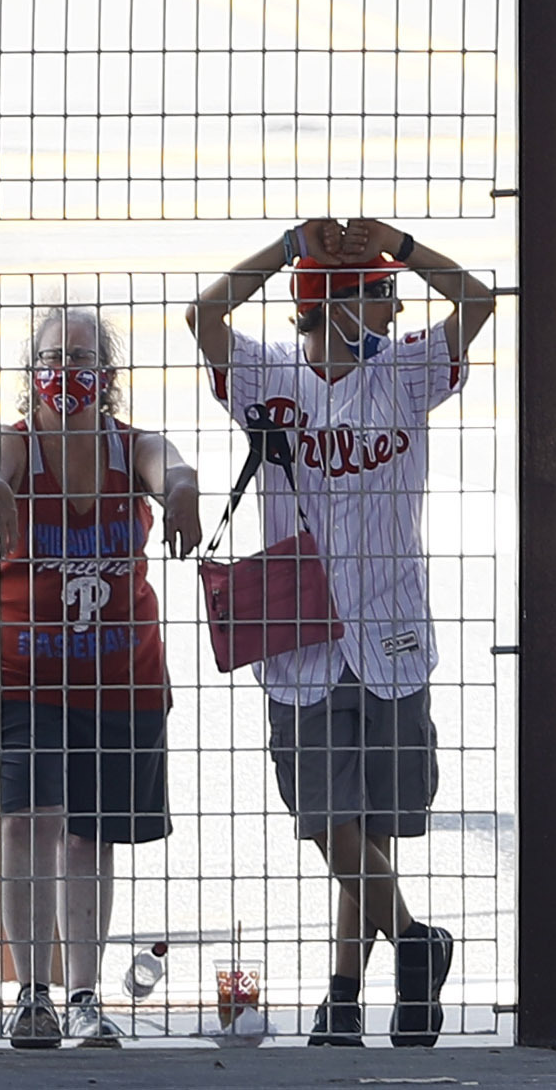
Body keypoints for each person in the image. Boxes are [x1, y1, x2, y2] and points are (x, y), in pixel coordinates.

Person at [186, 216, 495, 1048]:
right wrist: (287, 250)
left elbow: (477, 299)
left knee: (372, 822)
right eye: (379, 295)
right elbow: (205, 314)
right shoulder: (267, 375)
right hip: (301, 632)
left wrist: (402, 243)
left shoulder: (402, 375)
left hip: (392, 621)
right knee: (327, 817)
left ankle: (348, 998)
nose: (395, 311)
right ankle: (416, 943)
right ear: (332, 303)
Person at [0, 305, 203, 1049]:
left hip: (116, 675)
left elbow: (171, 465)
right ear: (30, 374)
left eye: (83, 358)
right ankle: (32, 994)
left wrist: (184, 489)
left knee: (89, 837)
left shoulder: (130, 448)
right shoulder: (15, 442)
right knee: (29, 819)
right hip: (18, 670)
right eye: (53, 358)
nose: (67, 372)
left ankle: (85, 996)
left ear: (109, 376)